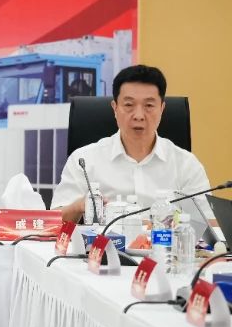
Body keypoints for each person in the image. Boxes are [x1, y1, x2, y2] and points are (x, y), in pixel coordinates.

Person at [52, 65, 219, 234]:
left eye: (149, 105)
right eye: (129, 105)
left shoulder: (186, 164)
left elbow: (209, 224)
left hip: (166, 249)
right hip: (104, 249)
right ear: (115, 108)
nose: (139, 115)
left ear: (162, 109)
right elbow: (53, 221)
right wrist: (79, 206)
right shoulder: (84, 160)